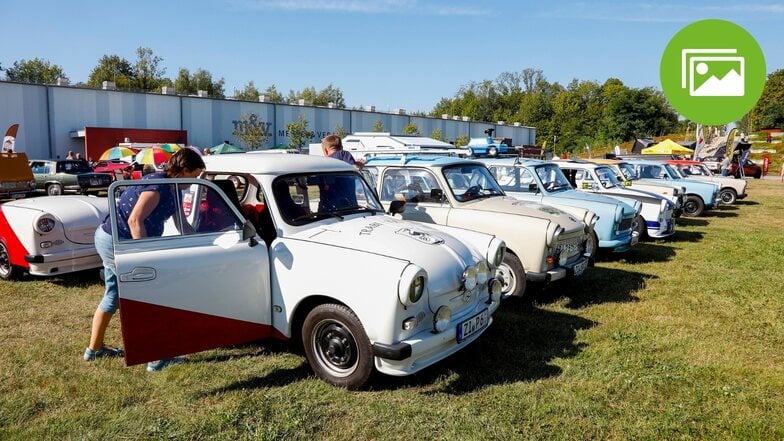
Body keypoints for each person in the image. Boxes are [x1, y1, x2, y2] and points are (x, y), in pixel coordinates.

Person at [84, 148, 205, 372]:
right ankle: (156, 358)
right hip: (117, 241)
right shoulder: (159, 185)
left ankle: (94, 350)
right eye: (195, 175)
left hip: (113, 238)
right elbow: (134, 221)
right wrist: (144, 259)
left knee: (113, 295)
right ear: (184, 169)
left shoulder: (174, 187)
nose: (195, 181)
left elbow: (183, 225)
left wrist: (203, 241)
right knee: (149, 297)